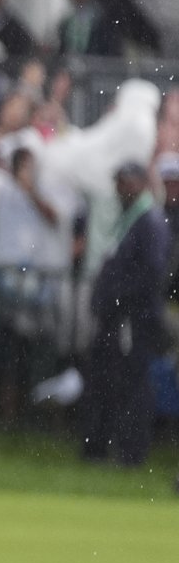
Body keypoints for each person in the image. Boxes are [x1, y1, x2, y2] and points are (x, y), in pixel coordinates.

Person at [79, 162, 171, 465]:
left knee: (132, 383)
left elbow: (152, 273)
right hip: (119, 318)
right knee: (110, 380)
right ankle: (104, 449)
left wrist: (119, 299)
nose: (121, 189)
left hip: (133, 320)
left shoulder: (149, 221)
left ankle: (131, 453)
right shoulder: (131, 219)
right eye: (118, 182)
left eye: (126, 182)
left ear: (142, 183)